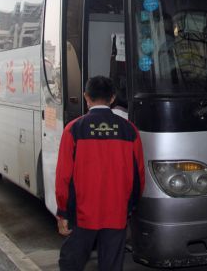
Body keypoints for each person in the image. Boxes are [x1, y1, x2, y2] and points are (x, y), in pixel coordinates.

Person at [55, 75, 145, 271]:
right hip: (117, 213)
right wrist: (130, 207)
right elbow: (139, 176)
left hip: (83, 213)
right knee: (112, 265)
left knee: (70, 262)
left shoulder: (73, 130)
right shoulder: (129, 131)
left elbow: (64, 176)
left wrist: (63, 212)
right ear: (112, 98)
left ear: (86, 97)